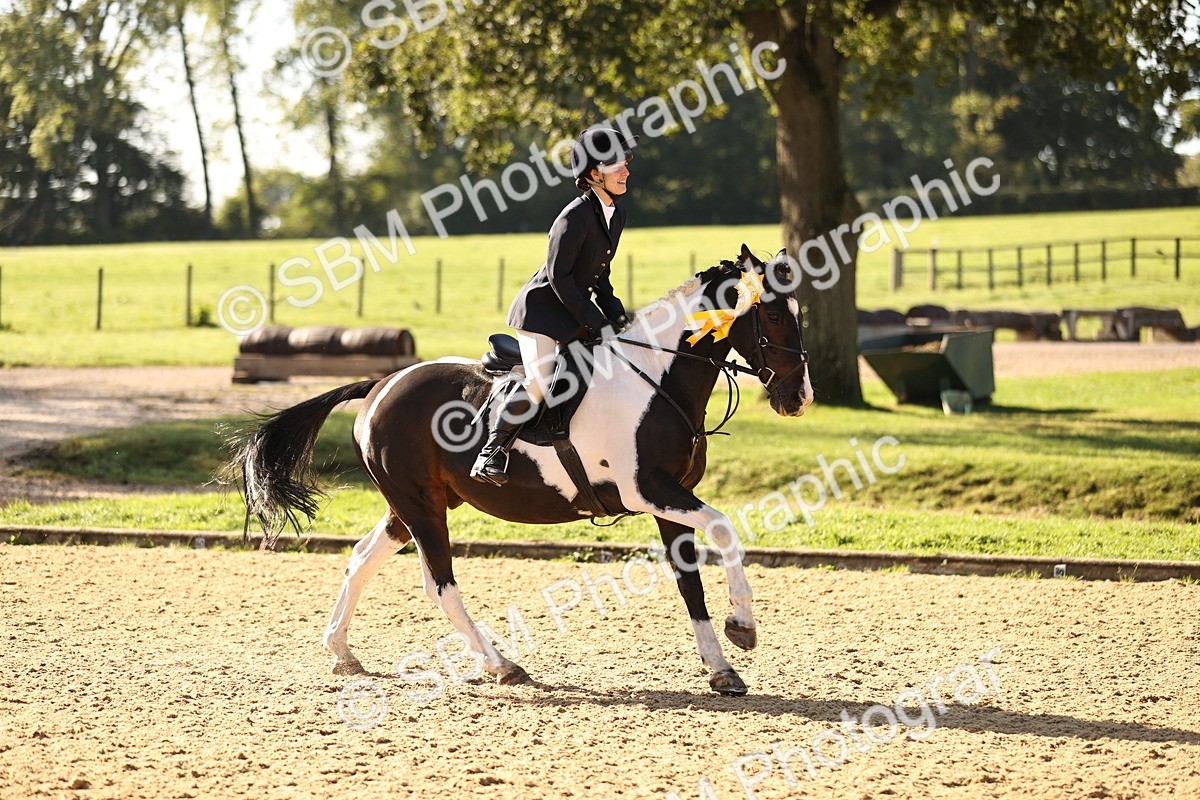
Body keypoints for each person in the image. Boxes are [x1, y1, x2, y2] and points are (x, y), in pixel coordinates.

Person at [470, 128, 637, 486]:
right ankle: (491, 453)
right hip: (541, 315)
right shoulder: (573, 217)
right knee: (541, 382)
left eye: (626, 163)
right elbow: (560, 278)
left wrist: (618, 317)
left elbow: (599, 276)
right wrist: (595, 322)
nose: (625, 172)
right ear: (594, 174)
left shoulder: (615, 213)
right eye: (616, 166)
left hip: (571, 312)